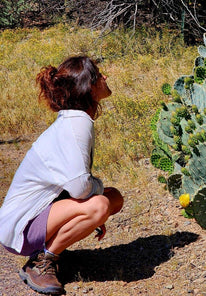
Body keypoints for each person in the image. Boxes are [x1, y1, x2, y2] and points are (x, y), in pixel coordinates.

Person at [0, 56, 124, 295]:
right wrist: (92, 207)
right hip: (21, 226)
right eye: (99, 75)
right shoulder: (77, 123)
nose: (105, 77)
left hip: (35, 215)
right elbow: (79, 188)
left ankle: (54, 251)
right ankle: (42, 263)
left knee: (113, 199)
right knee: (99, 205)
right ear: (88, 86)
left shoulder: (74, 120)